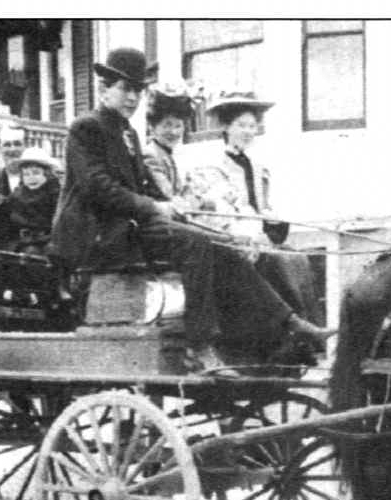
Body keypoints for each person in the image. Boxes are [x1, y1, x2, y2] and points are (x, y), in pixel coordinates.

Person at [50, 47, 334, 368]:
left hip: (129, 228)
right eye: (126, 89)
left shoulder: (127, 131)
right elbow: (96, 187)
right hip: (98, 235)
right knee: (195, 244)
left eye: (138, 91)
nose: (133, 98)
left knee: (221, 245)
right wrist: (155, 206)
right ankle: (201, 344)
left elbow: (142, 182)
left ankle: (291, 323)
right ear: (104, 89)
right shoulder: (86, 127)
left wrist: (175, 205)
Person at [187, 93, 327, 341]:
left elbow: (263, 208)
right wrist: (250, 236)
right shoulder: (210, 167)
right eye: (241, 125)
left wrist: (271, 225)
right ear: (226, 127)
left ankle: (307, 334)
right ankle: (289, 330)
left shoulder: (258, 168)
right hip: (233, 239)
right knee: (277, 262)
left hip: (259, 238)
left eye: (252, 126)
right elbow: (217, 212)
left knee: (298, 259)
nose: (248, 132)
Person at [5, 146, 61, 255]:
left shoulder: (55, 194)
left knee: (52, 253)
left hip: (49, 238)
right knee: (30, 254)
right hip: (23, 242)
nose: (31, 178)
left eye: (36, 173)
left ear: (47, 174)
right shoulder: (16, 196)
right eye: (26, 174)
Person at [0, 125, 26, 196]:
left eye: (17, 144)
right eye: (7, 145)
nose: (12, 149)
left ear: (24, 147)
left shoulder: (36, 178)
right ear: (0, 149)